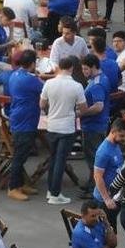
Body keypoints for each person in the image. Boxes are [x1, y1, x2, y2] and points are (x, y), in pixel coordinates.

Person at [41, 56, 86, 205]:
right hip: (67, 127)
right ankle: (55, 193)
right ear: (72, 68)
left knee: (53, 158)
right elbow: (83, 108)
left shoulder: (49, 83)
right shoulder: (77, 86)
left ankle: (51, 190)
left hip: (52, 125)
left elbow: (42, 104)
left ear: (59, 67)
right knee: (60, 160)